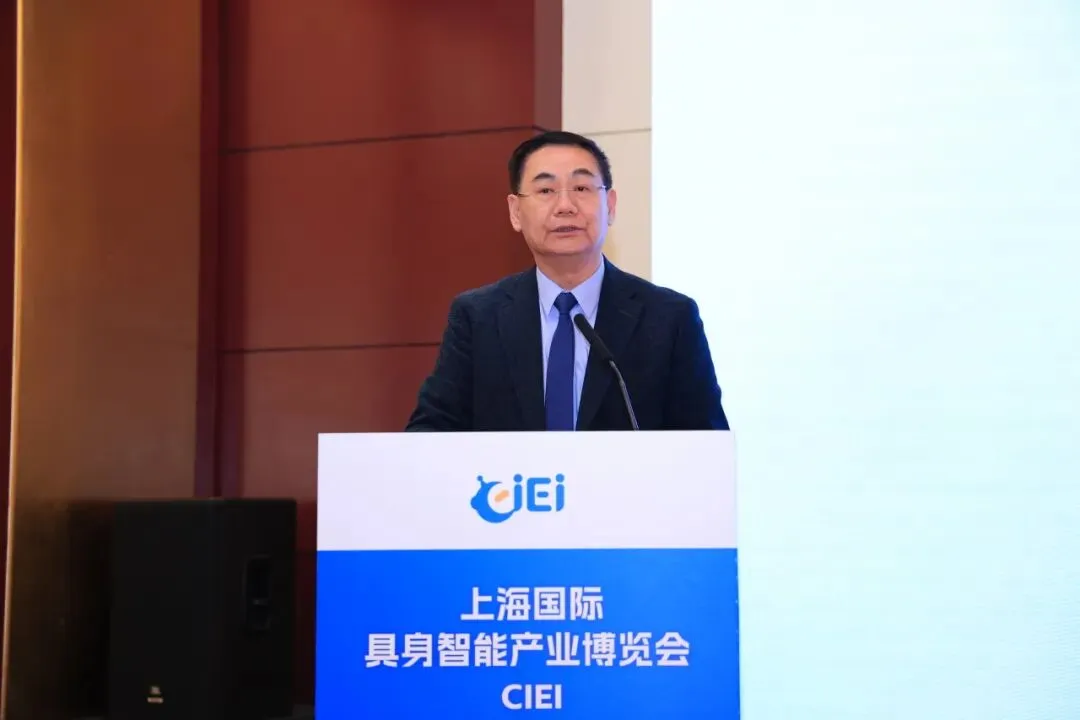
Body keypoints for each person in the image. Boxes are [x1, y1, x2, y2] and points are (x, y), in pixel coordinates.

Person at [405, 130, 729, 432]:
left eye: (582, 189)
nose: (565, 206)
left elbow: (705, 447)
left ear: (610, 206)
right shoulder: (477, 318)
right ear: (515, 212)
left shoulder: (669, 318)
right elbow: (429, 435)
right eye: (546, 190)